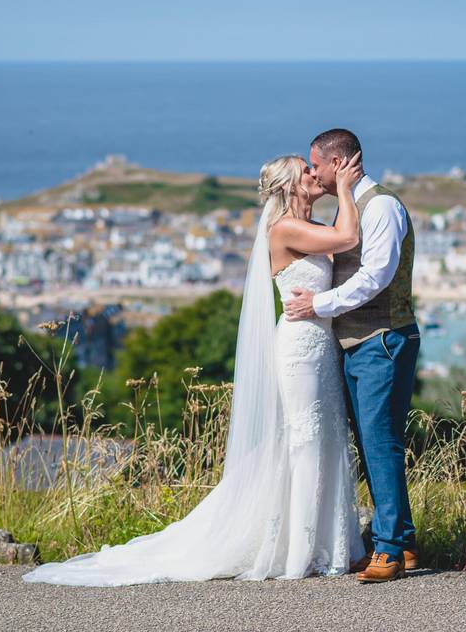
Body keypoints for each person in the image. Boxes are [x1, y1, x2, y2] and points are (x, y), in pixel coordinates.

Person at [21, 152, 366, 586]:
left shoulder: (313, 227)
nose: (315, 175)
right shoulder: (284, 229)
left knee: (326, 437)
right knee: (305, 438)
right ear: (289, 186)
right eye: (307, 171)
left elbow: (339, 238)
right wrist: (348, 190)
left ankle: (328, 544)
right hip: (298, 348)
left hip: (321, 347)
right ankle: (299, 549)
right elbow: (349, 237)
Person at [284, 128, 420, 583]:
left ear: (339, 162)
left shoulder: (380, 206)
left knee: (381, 445)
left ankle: (389, 549)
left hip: (382, 338)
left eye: (316, 165)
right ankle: (402, 541)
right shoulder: (348, 209)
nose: (313, 173)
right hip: (354, 344)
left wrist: (317, 305)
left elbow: (375, 276)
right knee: (370, 444)